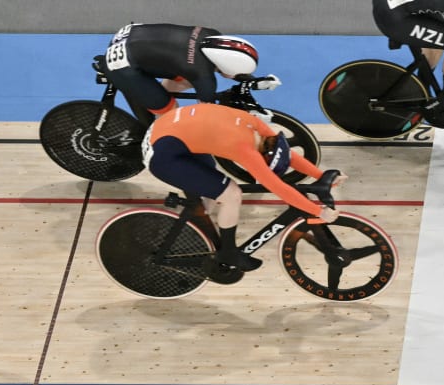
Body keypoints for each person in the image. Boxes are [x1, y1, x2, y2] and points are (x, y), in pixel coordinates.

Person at [144, 103, 343, 278]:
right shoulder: (245, 149)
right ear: (261, 157)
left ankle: (201, 217)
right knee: (231, 194)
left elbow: (286, 154)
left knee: (211, 192)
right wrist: (318, 211)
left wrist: (320, 175)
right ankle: (228, 252)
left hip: (169, 130)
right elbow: (277, 187)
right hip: (162, 156)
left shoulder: (257, 126)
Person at [98, 22, 278, 124]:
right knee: (169, 111)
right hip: (124, 67)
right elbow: (205, 116)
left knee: (185, 80)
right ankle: (156, 133)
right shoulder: (203, 76)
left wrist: (257, 82)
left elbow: (232, 68)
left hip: (130, 34)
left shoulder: (212, 35)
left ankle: (155, 95)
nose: (235, 77)